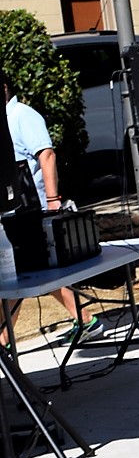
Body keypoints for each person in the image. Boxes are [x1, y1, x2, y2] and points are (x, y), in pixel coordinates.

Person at [1, 67, 101, 344]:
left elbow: (46, 155)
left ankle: (3, 339)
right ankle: (84, 320)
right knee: (28, 272)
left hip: (33, 210)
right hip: (15, 211)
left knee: (21, 274)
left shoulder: (22, 116)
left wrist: (53, 201)